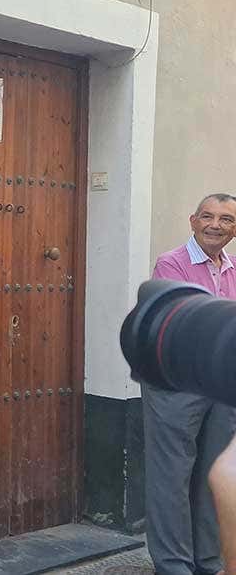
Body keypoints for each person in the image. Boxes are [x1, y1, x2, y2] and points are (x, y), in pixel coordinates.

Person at [144, 193, 236, 575]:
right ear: (192, 220)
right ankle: (173, 565)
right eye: (208, 216)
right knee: (172, 475)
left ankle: (208, 560)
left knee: (215, 473)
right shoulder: (172, 263)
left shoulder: (233, 269)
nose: (216, 225)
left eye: (227, 219)